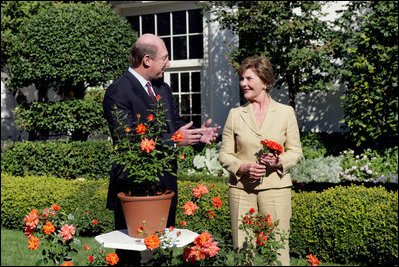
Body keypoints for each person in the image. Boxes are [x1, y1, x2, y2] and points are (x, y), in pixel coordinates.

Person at [102, 33, 221, 265]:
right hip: (133, 190)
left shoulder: (162, 89)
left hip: (165, 187)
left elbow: (174, 126)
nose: (169, 63)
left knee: (162, 255)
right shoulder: (117, 91)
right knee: (131, 259)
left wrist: (197, 136)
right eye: (165, 58)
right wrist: (176, 140)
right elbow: (128, 142)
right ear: (147, 60)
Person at [218, 55, 303, 266]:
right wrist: (242, 167)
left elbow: (296, 151)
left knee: (278, 249)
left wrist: (278, 162)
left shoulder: (285, 113)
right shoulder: (235, 114)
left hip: (276, 190)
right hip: (241, 191)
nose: (243, 84)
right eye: (241, 79)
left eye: (249, 79)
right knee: (243, 251)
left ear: (265, 81)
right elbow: (224, 155)